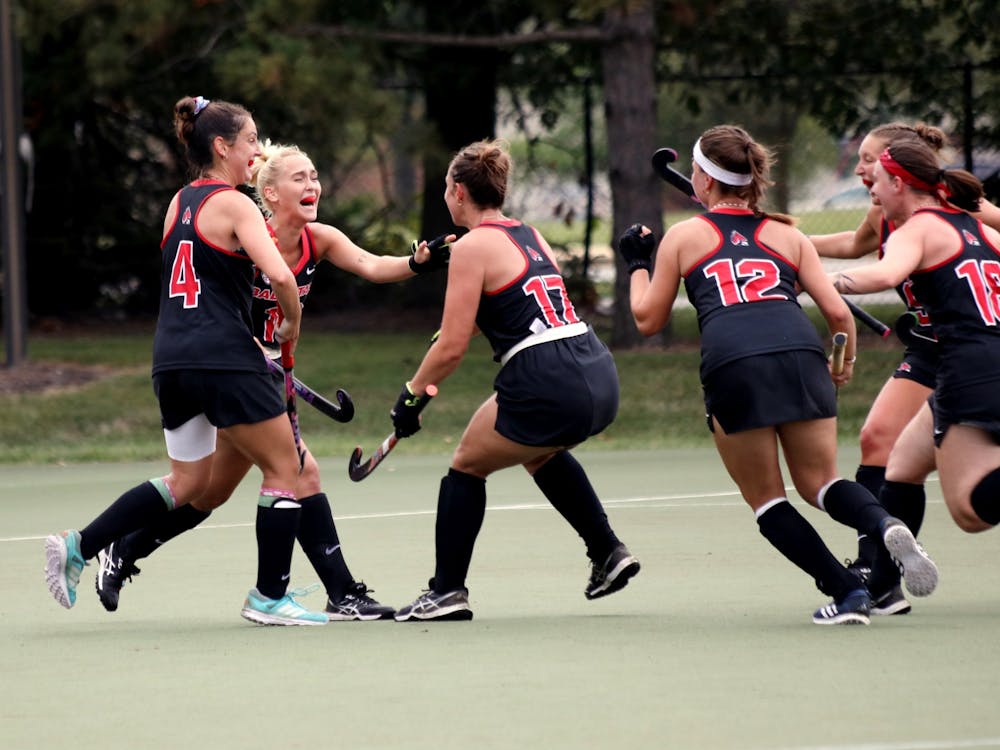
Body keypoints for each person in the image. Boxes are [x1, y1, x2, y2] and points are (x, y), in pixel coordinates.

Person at [93, 140, 452, 621]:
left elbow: (369, 264)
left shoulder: (318, 239)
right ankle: (338, 593)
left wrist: (415, 264)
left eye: (315, 176)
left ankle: (123, 552)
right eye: (300, 178)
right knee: (298, 472)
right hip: (233, 373)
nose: (313, 185)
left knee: (211, 493)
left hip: (264, 379)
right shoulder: (243, 232)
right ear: (271, 193)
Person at [619, 124, 937, 625]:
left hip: (734, 363)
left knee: (768, 500)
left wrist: (638, 262)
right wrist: (841, 366)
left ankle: (846, 593)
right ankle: (884, 522)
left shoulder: (684, 236)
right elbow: (837, 315)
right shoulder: (787, 234)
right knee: (822, 484)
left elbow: (647, 319)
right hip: (801, 354)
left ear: (702, 180)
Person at [44, 96, 328, 625]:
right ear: (222, 147)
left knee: (189, 484)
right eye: (250, 142)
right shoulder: (238, 203)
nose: (257, 152)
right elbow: (282, 277)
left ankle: (80, 545)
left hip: (170, 359)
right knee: (285, 468)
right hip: (224, 357)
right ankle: (270, 597)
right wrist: (290, 322)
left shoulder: (178, 202)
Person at [388, 138, 639, 622]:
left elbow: (452, 347)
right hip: (595, 367)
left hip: (548, 376)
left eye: (445, 187)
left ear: (459, 191)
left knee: (465, 466)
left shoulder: (473, 247)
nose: (445, 195)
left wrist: (411, 396)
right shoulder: (529, 234)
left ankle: (446, 591)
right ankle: (607, 551)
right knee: (538, 451)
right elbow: (519, 305)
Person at [831, 138, 1000, 535]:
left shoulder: (918, 228)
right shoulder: (980, 229)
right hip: (975, 359)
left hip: (970, 366)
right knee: (902, 466)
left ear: (899, 184)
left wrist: (817, 281)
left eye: (878, 180)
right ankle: (885, 590)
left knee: (968, 510)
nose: (871, 190)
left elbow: (884, 275)